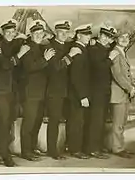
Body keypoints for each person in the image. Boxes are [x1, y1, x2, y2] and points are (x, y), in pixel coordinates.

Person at [0, 19, 28, 166]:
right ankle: (5, 155)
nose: (11, 34)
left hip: (12, 91)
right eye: (8, 32)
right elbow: (5, 65)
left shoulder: (15, 44)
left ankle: (2, 151)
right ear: (3, 32)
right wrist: (20, 55)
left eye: (13, 32)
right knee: (4, 122)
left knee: (8, 121)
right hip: (1, 91)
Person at [45, 20, 82, 160]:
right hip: (55, 90)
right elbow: (56, 67)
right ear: (56, 32)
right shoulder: (50, 46)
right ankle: (52, 151)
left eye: (66, 32)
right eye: (61, 32)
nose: (64, 34)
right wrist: (70, 55)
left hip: (67, 90)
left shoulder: (66, 45)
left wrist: (93, 42)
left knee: (71, 119)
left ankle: (69, 147)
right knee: (54, 121)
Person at [19, 20, 55, 161]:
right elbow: (30, 67)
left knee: (37, 122)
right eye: (36, 33)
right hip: (30, 93)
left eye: (41, 33)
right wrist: (45, 59)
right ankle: (26, 151)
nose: (39, 35)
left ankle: (32, 148)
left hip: (41, 93)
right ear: (31, 34)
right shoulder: (27, 48)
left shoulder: (41, 47)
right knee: (29, 123)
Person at [84, 25, 117, 159]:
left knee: (101, 119)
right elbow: (99, 67)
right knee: (95, 120)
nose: (106, 39)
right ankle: (92, 149)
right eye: (104, 35)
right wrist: (111, 58)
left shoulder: (104, 48)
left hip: (103, 91)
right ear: (100, 36)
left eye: (109, 37)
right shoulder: (94, 49)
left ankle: (97, 146)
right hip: (95, 91)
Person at [108, 31, 135, 158]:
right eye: (122, 37)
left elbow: (127, 74)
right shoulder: (115, 53)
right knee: (118, 124)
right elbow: (117, 75)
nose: (125, 39)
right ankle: (117, 149)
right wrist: (129, 88)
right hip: (118, 94)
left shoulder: (122, 52)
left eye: (127, 37)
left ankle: (120, 147)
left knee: (122, 123)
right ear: (116, 39)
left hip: (123, 94)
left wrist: (133, 87)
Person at [68, 24, 92, 159]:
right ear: (78, 36)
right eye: (86, 34)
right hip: (77, 94)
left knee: (79, 121)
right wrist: (82, 96)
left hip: (79, 93)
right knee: (76, 122)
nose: (88, 37)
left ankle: (76, 147)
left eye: (89, 34)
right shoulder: (77, 49)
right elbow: (75, 76)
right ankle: (75, 149)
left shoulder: (82, 48)